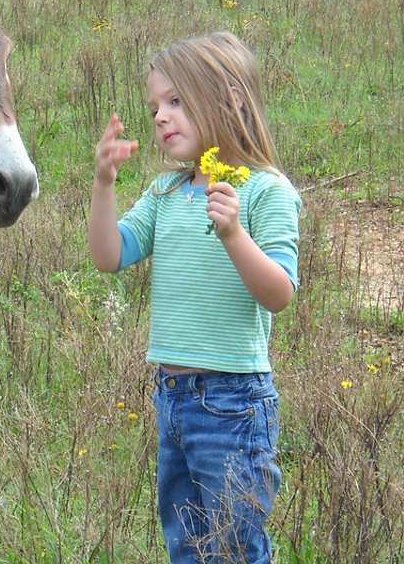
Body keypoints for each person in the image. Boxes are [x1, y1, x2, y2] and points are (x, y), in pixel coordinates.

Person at [88, 31, 301, 563]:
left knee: (233, 547)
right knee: (186, 545)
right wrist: (104, 184)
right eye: (156, 105)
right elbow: (109, 255)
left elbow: (279, 292)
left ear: (228, 99)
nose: (160, 116)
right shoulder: (166, 192)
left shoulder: (264, 190)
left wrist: (233, 235)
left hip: (233, 402)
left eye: (176, 101)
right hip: (172, 399)